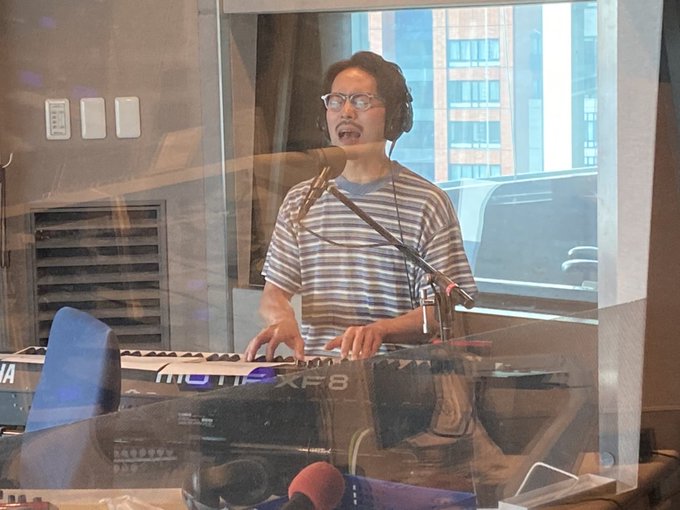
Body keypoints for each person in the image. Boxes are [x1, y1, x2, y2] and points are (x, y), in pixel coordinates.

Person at [245, 51, 476, 362]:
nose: (346, 112)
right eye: (336, 101)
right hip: (318, 372)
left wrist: (380, 330)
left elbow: (440, 311)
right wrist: (281, 318)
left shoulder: (427, 203)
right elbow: (274, 292)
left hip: (395, 375)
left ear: (393, 117)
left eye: (361, 101)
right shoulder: (302, 200)